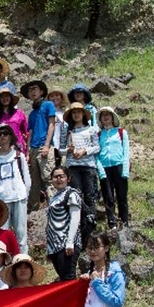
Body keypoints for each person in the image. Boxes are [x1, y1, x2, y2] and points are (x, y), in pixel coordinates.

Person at [0, 124, 30, 252]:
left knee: (21, 233)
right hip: (1, 199)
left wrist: (25, 195)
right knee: (2, 234)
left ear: (10, 137)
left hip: (19, 197)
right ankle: (4, 259)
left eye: (5, 133)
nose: (2, 136)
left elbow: (27, 178)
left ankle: (23, 258)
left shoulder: (19, 156)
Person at [63, 102, 100, 238]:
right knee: (76, 196)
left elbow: (97, 147)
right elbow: (60, 150)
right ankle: (78, 225)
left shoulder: (91, 130)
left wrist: (85, 150)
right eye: (74, 112)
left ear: (83, 114)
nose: (76, 115)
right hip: (72, 167)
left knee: (90, 196)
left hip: (88, 166)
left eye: (79, 112)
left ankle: (91, 224)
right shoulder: (68, 132)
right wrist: (68, 150)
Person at [21, 80, 56, 211]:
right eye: (30, 90)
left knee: (48, 177)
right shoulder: (32, 113)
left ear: (41, 91)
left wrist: (47, 145)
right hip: (33, 148)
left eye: (35, 89)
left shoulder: (48, 105)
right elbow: (30, 133)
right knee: (33, 181)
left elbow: (52, 124)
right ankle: (33, 210)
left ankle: (55, 207)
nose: (33, 92)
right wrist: (28, 152)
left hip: (44, 146)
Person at [46, 167, 83, 281]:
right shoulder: (54, 197)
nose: (58, 179)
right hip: (55, 246)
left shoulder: (72, 194)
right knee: (63, 279)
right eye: (55, 177)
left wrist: (70, 242)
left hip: (66, 243)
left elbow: (75, 218)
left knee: (68, 278)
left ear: (68, 178)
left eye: (61, 176)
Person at [97, 107, 131, 230]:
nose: (105, 117)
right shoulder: (98, 135)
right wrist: (100, 171)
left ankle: (124, 224)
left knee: (122, 197)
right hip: (105, 168)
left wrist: (125, 170)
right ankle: (112, 224)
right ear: (100, 119)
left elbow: (126, 152)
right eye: (103, 115)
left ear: (113, 117)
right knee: (108, 198)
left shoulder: (121, 132)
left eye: (108, 115)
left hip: (119, 167)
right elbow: (96, 155)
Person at [0, 87, 29, 154]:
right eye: (2, 97)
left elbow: (26, 131)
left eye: (7, 96)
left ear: (11, 98)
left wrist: (28, 151)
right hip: (3, 147)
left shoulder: (19, 113)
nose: (5, 99)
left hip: (18, 147)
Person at [47, 90, 69, 166]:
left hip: (63, 144)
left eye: (57, 95)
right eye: (52, 96)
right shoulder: (46, 113)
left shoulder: (66, 112)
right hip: (50, 144)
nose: (54, 98)